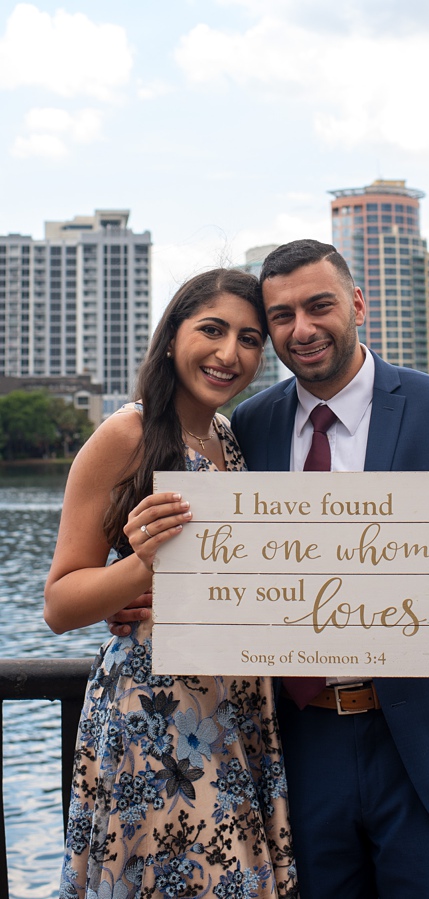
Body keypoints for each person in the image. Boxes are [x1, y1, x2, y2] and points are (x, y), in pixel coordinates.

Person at [113, 239, 429, 896]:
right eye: (281, 316)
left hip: (427, 749)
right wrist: (145, 592)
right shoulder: (246, 428)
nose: (301, 330)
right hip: (298, 750)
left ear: (356, 304)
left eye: (318, 306)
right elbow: (216, 558)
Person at [45, 269, 298, 897]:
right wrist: (140, 566)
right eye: (211, 330)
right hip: (155, 716)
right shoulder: (126, 434)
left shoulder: (231, 443)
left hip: (236, 713)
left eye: (248, 338)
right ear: (171, 336)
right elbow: (59, 602)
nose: (228, 353)